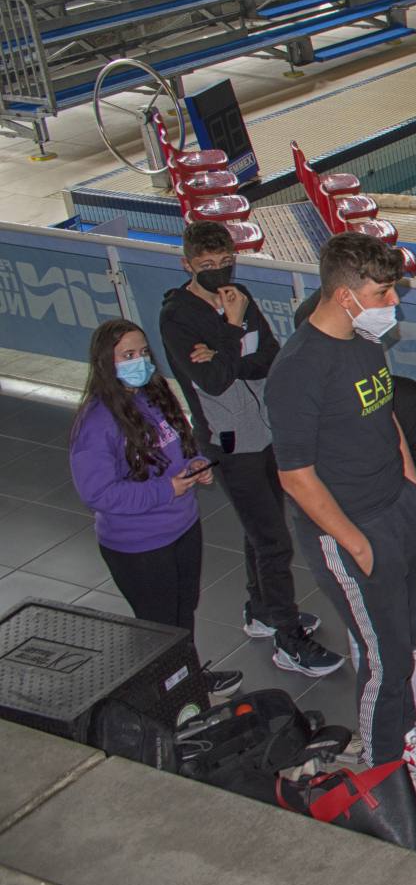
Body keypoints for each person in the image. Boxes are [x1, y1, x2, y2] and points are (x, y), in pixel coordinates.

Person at [266, 234, 416, 820]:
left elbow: (386, 416)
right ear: (345, 296)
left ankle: (405, 735)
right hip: (353, 532)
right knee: (385, 659)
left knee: (413, 636)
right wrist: (355, 544)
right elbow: (295, 477)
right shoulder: (298, 370)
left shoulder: (363, 342)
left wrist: (411, 485)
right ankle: (383, 772)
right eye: (380, 291)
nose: (391, 300)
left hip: (397, 508)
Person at [158, 223, 340, 678]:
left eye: (225, 264)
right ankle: (288, 638)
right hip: (229, 441)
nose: (220, 274)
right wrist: (234, 328)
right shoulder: (177, 317)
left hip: (263, 430)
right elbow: (213, 381)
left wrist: (225, 351)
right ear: (187, 265)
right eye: (207, 267)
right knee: (272, 540)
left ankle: (260, 608)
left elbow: (270, 356)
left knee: (260, 525)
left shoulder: (240, 294)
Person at [69, 319, 240, 696]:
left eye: (144, 352)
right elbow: (98, 494)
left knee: (182, 616)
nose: (140, 361)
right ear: (105, 363)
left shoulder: (154, 396)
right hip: (140, 545)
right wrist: (166, 490)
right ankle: (167, 696)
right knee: (159, 628)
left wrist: (193, 466)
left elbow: (175, 448)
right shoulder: (96, 423)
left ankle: (187, 677)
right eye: (128, 355)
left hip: (182, 527)